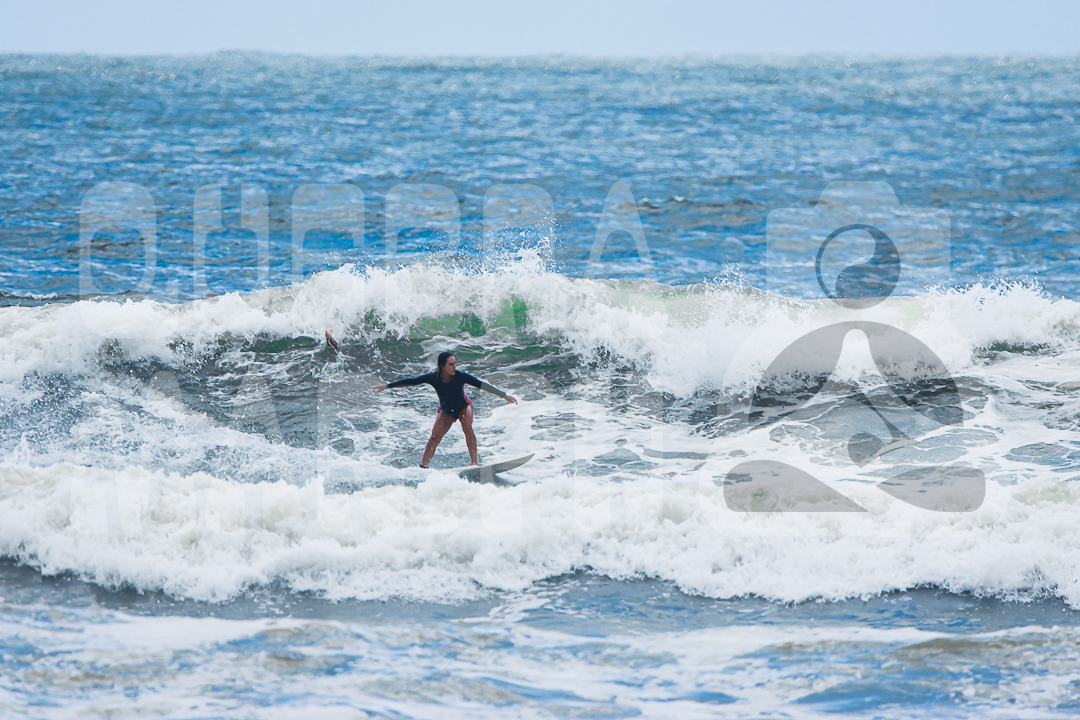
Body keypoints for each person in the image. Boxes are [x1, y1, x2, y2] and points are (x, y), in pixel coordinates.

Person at [325, 329, 517, 468]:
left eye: (455, 364)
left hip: (463, 406)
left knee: (467, 426)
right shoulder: (433, 377)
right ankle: (423, 467)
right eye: (451, 364)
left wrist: (504, 395)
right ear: (442, 367)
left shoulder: (460, 376)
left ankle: (474, 462)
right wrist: (387, 386)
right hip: (446, 410)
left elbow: (481, 384)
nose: (454, 367)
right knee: (434, 438)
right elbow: (411, 381)